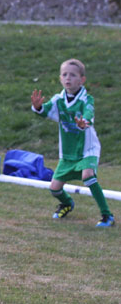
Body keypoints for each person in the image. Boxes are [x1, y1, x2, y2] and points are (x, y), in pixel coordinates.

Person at [31, 58, 115, 227]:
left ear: (82, 79)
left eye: (73, 75)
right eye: (64, 74)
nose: (68, 78)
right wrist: (38, 107)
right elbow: (45, 110)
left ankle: (107, 216)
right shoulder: (58, 99)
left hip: (87, 149)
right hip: (68, 152)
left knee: (88, 175)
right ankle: (67, 203)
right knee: (54, 188)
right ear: (60, 78)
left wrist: (85, 122)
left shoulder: (86, 99)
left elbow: (88, 113)